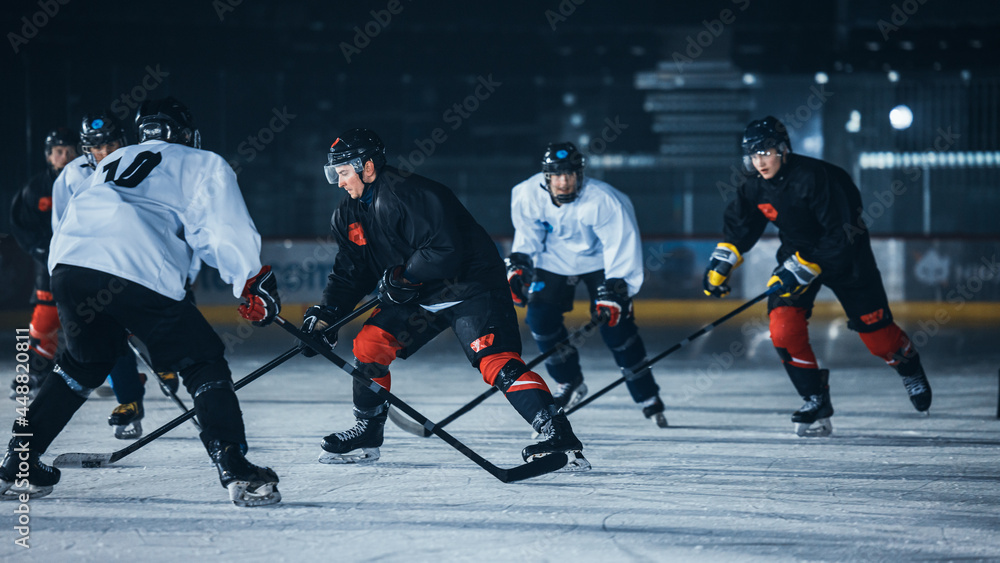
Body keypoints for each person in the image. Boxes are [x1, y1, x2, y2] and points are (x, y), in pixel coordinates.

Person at [0, 97, 283, 507]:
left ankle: (18, 461)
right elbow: (220, 230)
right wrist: (251, 281)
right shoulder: (199, 161)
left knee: (83, 362)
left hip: (69, 266)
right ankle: (236, 467)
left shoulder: (112, 161)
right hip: (132, 263)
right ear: (184, 133)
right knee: (201, 358)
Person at [298, 128, 589, 470]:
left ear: (369, 167)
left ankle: (556, 431)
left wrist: (403, 277)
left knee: (493, 359)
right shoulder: (346, 215)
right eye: (334, 173)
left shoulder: (412, 193)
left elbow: (445, 250)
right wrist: (327, 316)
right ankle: (368, 431)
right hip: (419, 293)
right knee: (369, 344)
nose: (339, 182)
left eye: (344, 172)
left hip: (469, 287)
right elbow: (350, 272)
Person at [702, 116, 932, 437]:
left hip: (848, 259)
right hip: (797, 255)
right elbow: (741, 224)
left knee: (879, 339)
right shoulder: (754, 183)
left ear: (783, 150)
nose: (760, 161)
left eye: (765, 153)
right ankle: (814, 399)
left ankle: (908, 366)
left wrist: (802, 267)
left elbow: (843, 233)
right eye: (753, 155)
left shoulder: (819, 177)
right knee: (782, 328)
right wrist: (722, 261)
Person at [507, 142, 667, 427]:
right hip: (554, 259)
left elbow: (621, 245)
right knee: (540, 319)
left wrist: (618, 288)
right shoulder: (526, 194)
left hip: (601, 261)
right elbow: (528, 234)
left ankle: (646, 395)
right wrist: (520, 264)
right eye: (556, 175)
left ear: (580, 175)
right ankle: (568, 381)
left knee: (617, 329)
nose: (563, 182)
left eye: (569, 174)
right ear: (546, 177)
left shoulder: (605, 200)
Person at [50, 111, 162, 439]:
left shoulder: (140, 163)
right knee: (99, 343)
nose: (106, 151)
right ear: (87, 149)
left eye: (111, 143)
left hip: (128, 263)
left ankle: (152, 384)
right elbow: (61, 227)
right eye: (98, 147)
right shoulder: (71, 176)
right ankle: (130, 400)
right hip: (86, 270)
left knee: (127, 332)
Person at [8, 127, 77, 399]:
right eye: (59, 151)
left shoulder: (89, 181)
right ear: (49, 156)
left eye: (70, 151)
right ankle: (36, 370)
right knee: (45, 319)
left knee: (92, 317)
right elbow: (21, 225)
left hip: (87, 265)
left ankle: (119, 373)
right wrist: (41, 250)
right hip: (48, 267)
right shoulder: (35, 188)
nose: (65, 156)